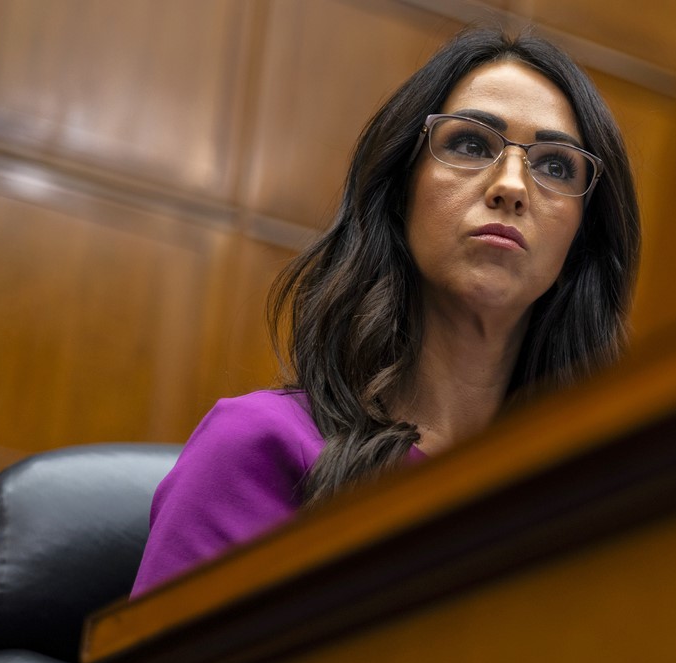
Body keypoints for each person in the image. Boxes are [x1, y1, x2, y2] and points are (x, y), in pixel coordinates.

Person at [130, 27, 640, 598]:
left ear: (580, 239)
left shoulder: (596, 502)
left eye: (555, 166)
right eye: (472, 144)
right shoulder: (259, 448)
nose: (512, 186)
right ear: (400, 191)